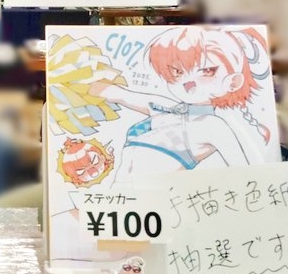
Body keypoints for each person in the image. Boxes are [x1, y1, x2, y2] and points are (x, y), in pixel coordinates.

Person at [90, 26, 272, 176]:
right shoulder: (168, 107)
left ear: (233, 82)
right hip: (119, 200)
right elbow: (116, 93)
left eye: (207, 71)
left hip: (154, 201)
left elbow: (246, 175)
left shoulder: (214, 126)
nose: (188, 81)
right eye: (177, 71)